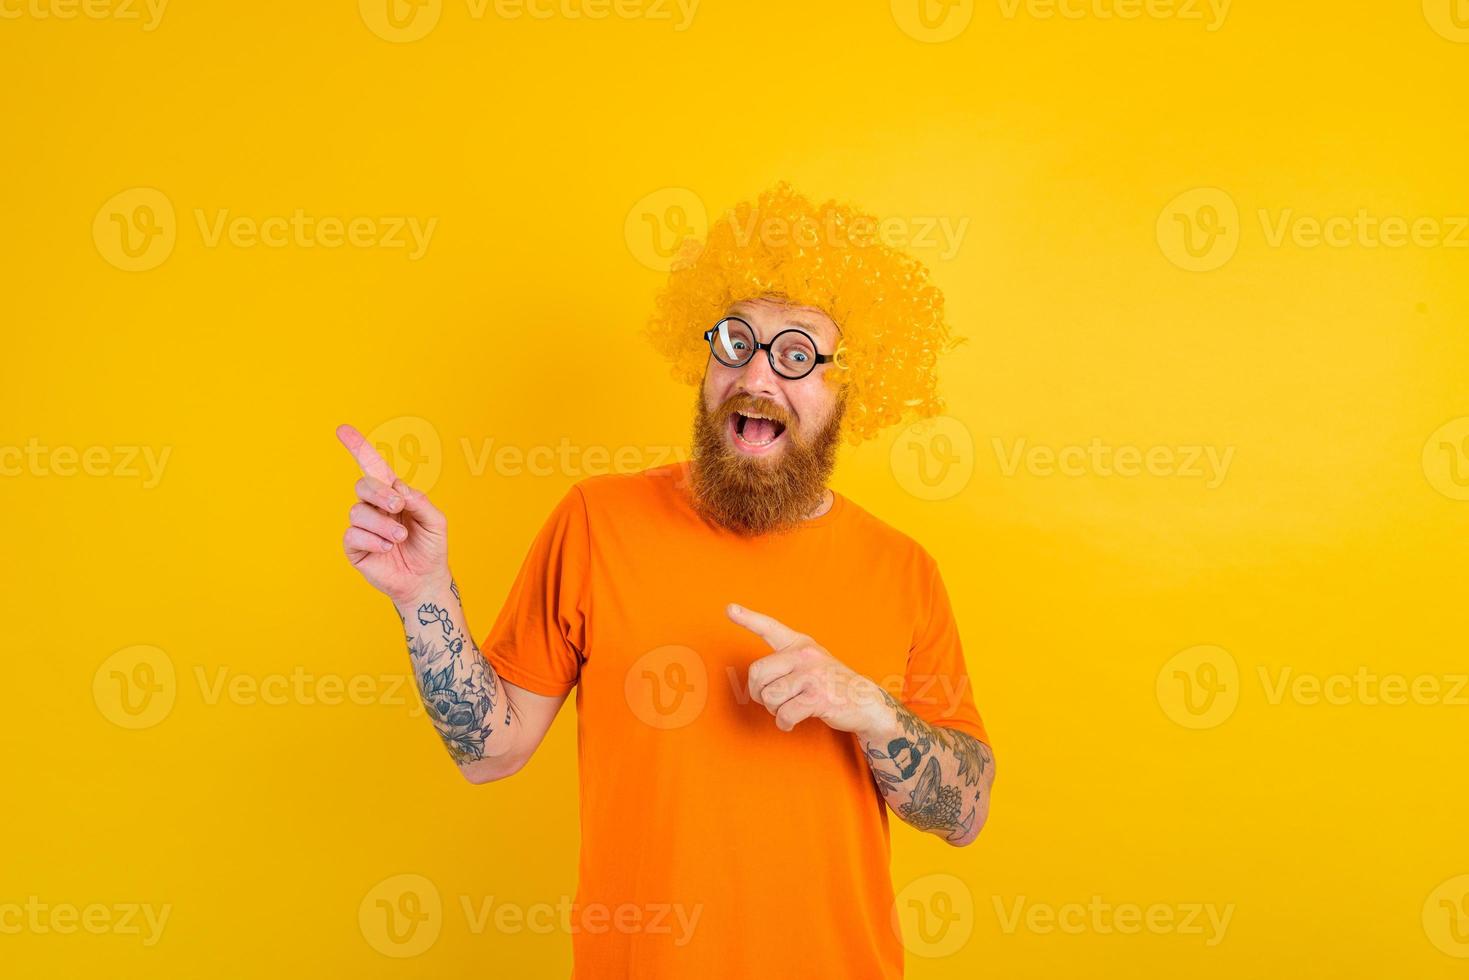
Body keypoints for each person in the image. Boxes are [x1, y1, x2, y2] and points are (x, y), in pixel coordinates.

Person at [337, 184, 995, 978]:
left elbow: (967, 811)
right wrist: (423, 598)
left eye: (794, 356)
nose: (756, 377)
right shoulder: (596, 521)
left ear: (846, 387)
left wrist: (871, 711)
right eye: (735, 344)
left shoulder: (902, 569)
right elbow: (489, 750)